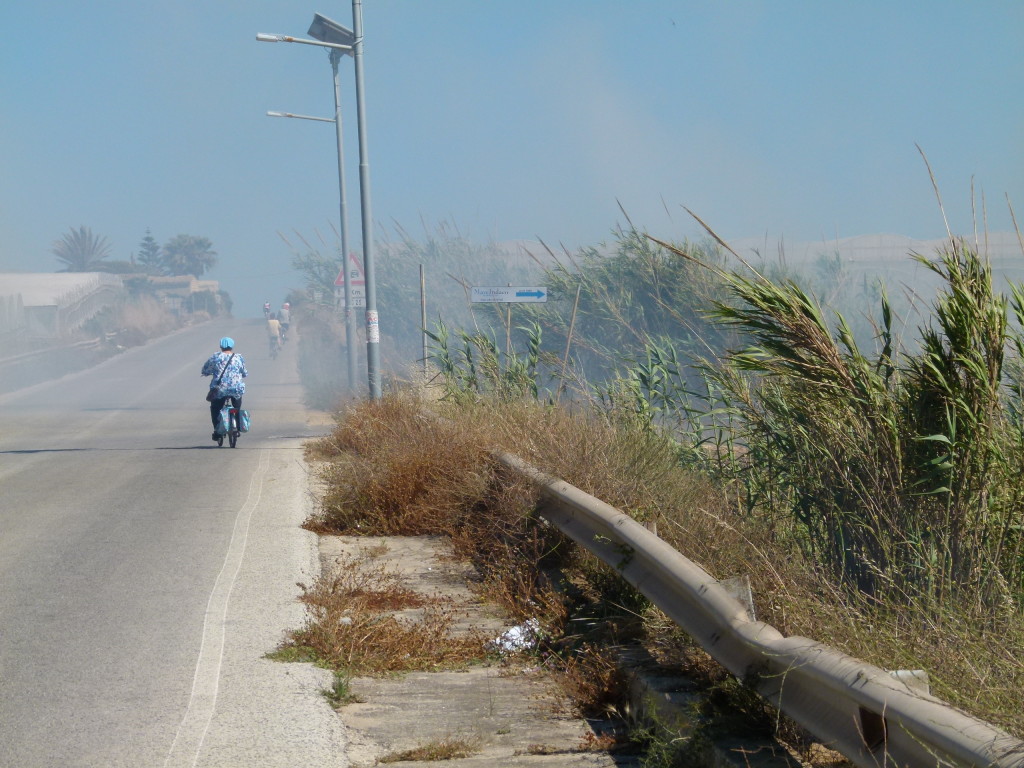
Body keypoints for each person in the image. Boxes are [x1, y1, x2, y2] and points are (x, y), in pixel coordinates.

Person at [201, 337, 248, 441]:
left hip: (220, 390)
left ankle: (217, 431)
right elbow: (244, 372)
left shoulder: (216, 357)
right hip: (236, 389)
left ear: (221, 346)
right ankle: (238, 426)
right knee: (237, 406)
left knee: (215, 408)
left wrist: (206, 373)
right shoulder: (238, 357)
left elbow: (206, 369)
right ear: (232, 346)